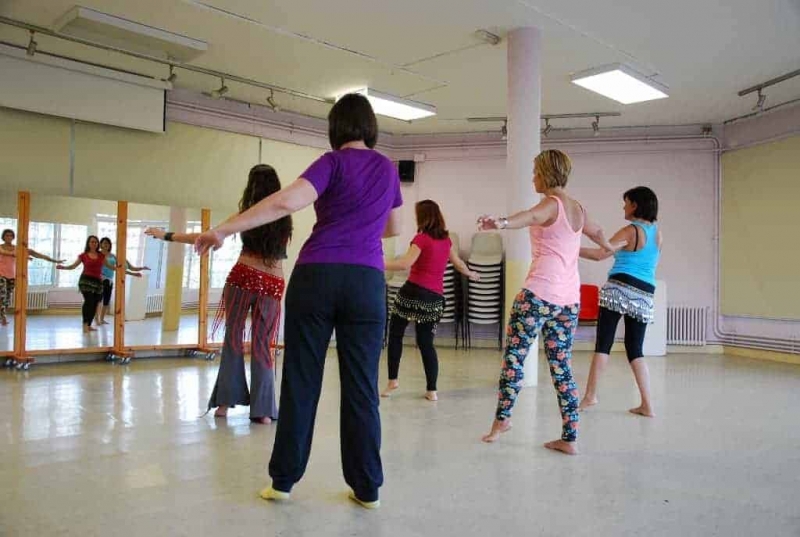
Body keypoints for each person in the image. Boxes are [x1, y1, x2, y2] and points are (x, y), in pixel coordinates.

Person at [195, 93, 402, 509]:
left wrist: (224, 229)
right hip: (366, 281)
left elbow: (286, 201)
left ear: (336, 128)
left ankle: (283, 481)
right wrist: (358, 225)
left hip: (317, 276)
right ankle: (367, 489)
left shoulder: (331, 163)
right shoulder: (388, 170)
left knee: (302, 381)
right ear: (370, 126)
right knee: (362, 388)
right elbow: (392, 227)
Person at [478, 149, 614, 455]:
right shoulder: (577, 208)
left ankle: (502, 422)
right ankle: (570, 437)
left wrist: (498, 222)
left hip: (537, 296)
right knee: (562, 367)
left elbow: (529, 217)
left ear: (547, 174)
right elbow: (597, 232)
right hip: (568, 301)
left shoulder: (550, 204)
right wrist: (608, 246)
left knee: (514, 359)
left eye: (536, 172)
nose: (533, 177)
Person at [145, 164, 292, 425]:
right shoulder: (285, 216)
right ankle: (263, 411)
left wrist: (166, 235)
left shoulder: (246, 214)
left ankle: (224, 403)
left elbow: (206, 237)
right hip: (272, 284)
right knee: (262, 345)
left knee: (233, 338)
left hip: (243, 277)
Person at [382, 200, 479, 401]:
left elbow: (404, 264)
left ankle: (393, 381)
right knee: (426, 343)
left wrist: (377, 262)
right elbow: (459, 264)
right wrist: (471, 274)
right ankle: (432, 390)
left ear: (423, 217)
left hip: (412, 293)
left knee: (396, 334)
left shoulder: (421, 239)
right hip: (434, 298)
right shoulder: (446, 241)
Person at [578, 186, 662, 418]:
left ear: (635, 205)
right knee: (635, 349)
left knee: (603, 344)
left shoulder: (630, 231)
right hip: (644, 293)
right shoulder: (657, 233)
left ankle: (590, 396)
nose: (623, 207)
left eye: (626, 202)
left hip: (619, 287)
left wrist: (571, 247)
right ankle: (647, 404)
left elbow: (599, 254)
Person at [0, 228, 63, 326]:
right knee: (2, 295)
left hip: (12, 276)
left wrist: (55, 261)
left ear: (13, 237)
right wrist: (20, 256)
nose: (8, 237)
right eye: (6, 235)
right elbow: (5, 253)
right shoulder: (1, 247)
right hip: (1, 274)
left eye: (10, 235)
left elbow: (37, 254)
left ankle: (2, 314)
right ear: (3, 237)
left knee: (7, 298)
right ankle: (3, 316)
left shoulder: (18, 249)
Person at [56, 235, 116, 334]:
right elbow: (73, 266)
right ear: (88, 243)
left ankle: (89, 325)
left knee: (95, 304)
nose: (94, 243)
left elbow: (110, 266)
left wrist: (122, 269)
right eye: (92, 242)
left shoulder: (101, 256)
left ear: (98, 244)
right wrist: (64, 267)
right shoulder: (83, 255)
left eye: (96, 242)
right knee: (89, 302)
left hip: (98, 282)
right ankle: (85, 325)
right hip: (86, 281)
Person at [96, 237, 149, 325]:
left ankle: (102, 319)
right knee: (98, 301)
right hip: (100, 279)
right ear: (100, 244)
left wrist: (139, 270)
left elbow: (126, 268)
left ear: (110, 245)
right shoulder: (98, 255)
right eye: (104, 243)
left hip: (109, 281)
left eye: (108, 243)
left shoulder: (113, 256)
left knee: (106, 301)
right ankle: (96, 319)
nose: (106, 244)